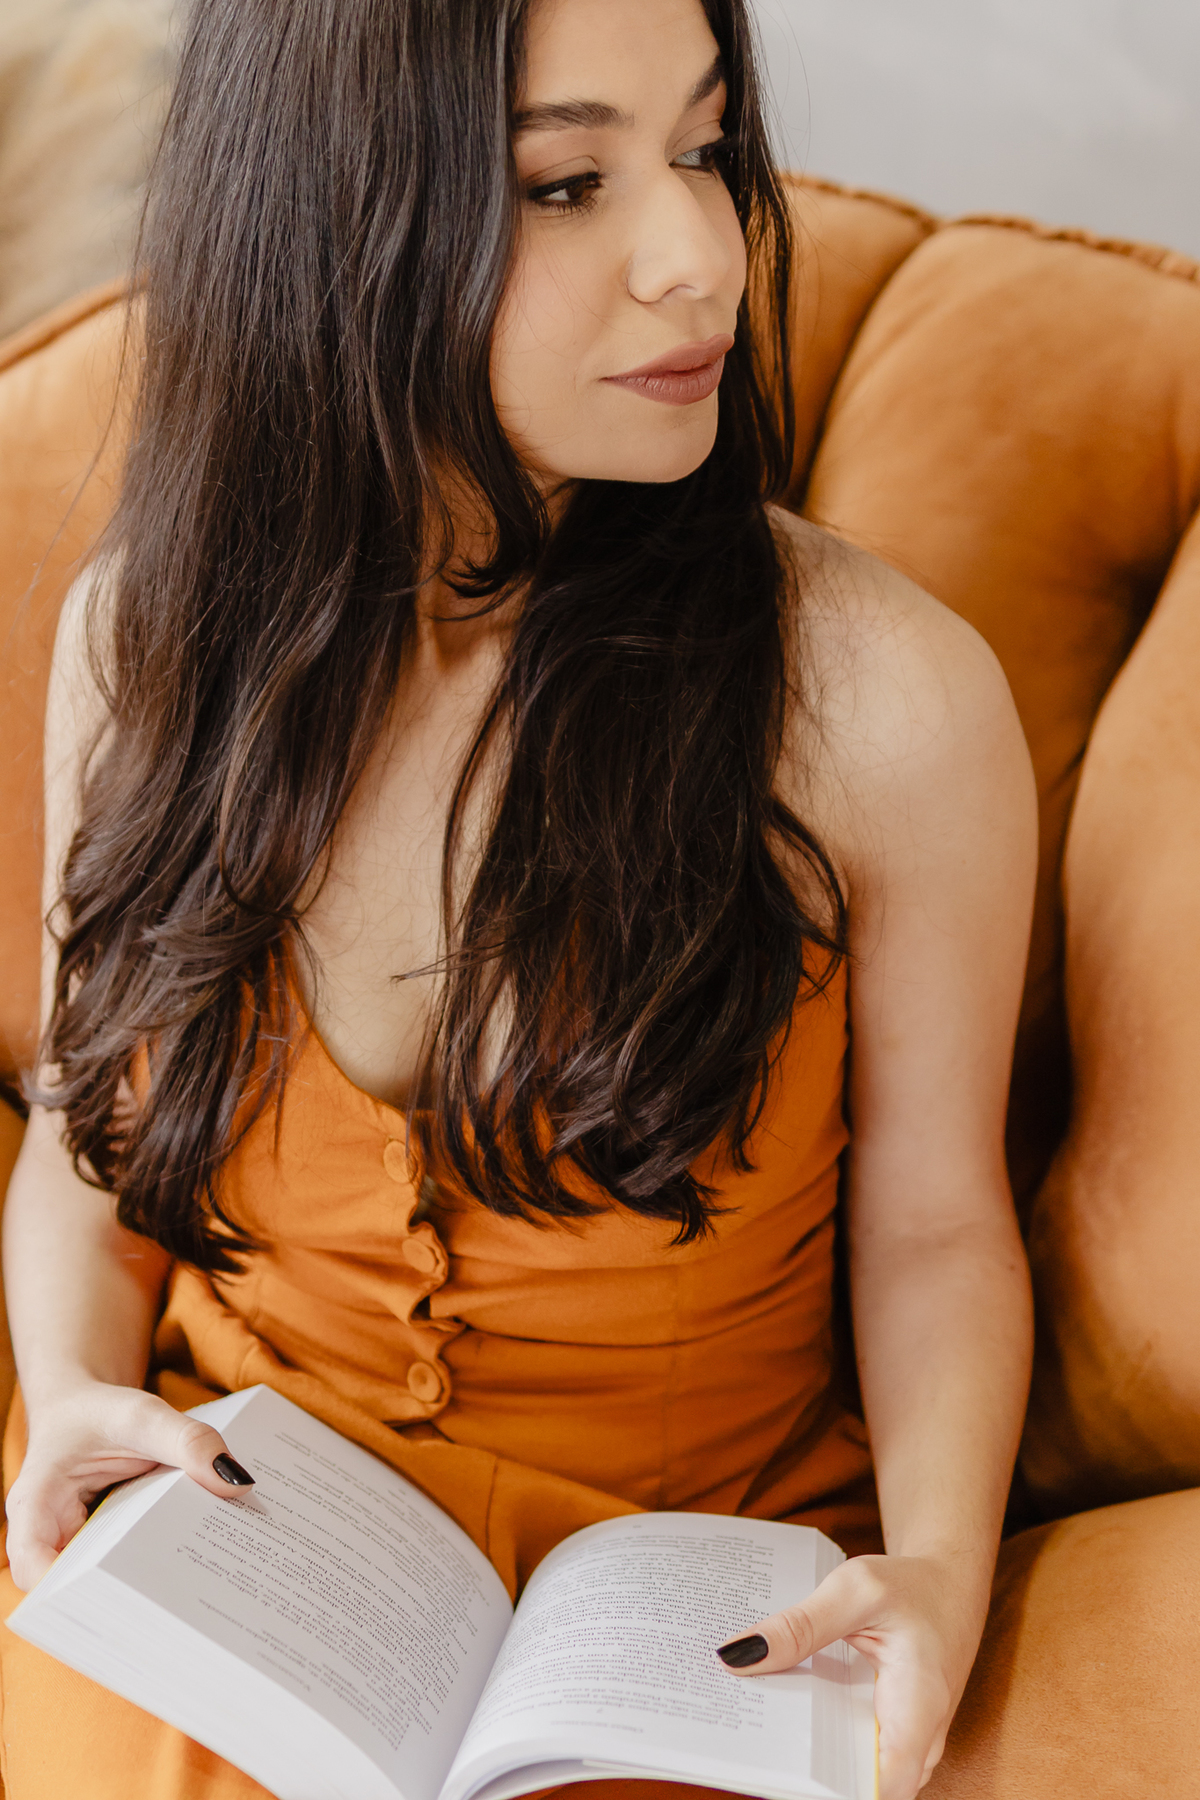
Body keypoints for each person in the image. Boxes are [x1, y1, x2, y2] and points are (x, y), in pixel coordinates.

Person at [0, 0, 1037, 1795]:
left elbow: (939, 1227)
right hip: (240, 1545)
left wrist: (943, 1563)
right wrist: (78, 1392)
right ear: (328, 211)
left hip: (686, 1606)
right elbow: (83, 1140)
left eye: (705, 149)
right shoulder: (142, 641)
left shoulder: (886, 704)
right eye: (566, 183)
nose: (701, 254)